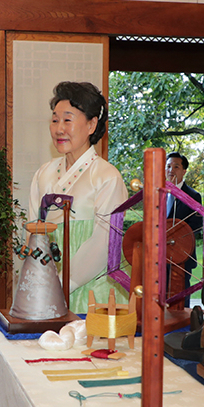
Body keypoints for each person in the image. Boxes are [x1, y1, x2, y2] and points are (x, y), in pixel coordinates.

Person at [28, 81, 128, 313]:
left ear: (92, 124)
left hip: (94, 291)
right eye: (54, 120)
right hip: (48, 289)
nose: (59, 129)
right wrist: (38, 281)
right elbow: (33, 231)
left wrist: (61, 286)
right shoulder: (44, 173)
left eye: (67, 120)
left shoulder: (106, 177)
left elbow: (103, 245)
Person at [165, 151, 203, 305]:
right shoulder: (159, 194)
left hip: (181, 255)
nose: (171, 170)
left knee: (179, 300)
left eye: (176, 166)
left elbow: (196, 225)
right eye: (168, 166)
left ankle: (183, 327)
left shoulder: (193, 196)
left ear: (184, 171)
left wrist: (175, 236)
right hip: (158, 256)